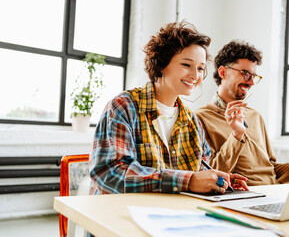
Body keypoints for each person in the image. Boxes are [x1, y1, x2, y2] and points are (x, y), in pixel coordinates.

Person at [89, 21, 248, 196]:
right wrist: (188, 181)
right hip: (120, 213)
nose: (195, 75)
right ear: (161, 64)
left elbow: (199, 172)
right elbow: (110, 175)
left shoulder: (192, 121)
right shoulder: (123, 107)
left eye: (201, 68)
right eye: (186, 65)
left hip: (171, 214)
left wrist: (219, 180)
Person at [195, 40, 289, 186]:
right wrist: (237, 135)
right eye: (245, 74)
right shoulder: (200, 118)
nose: (251, 82)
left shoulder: (255, 116)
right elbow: (210, 174)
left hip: (273, 192)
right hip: (243, 195)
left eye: (253, 76)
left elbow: (271, 169)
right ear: (223, 72)